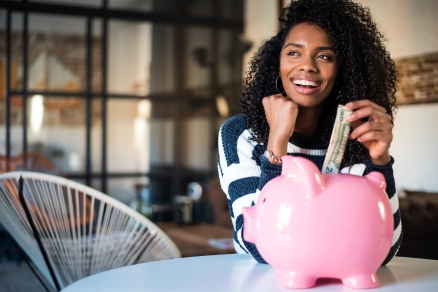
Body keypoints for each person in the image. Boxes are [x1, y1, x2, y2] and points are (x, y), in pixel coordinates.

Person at [217, 0, 402, 266]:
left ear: (339, 73)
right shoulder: (241, 134)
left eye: (324, 56)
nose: (307, 66)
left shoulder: (354, 136)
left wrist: (380, 162)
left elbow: (384, 252)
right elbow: (256, 245)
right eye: (294, 53)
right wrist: (277, 141)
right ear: (276, 64)